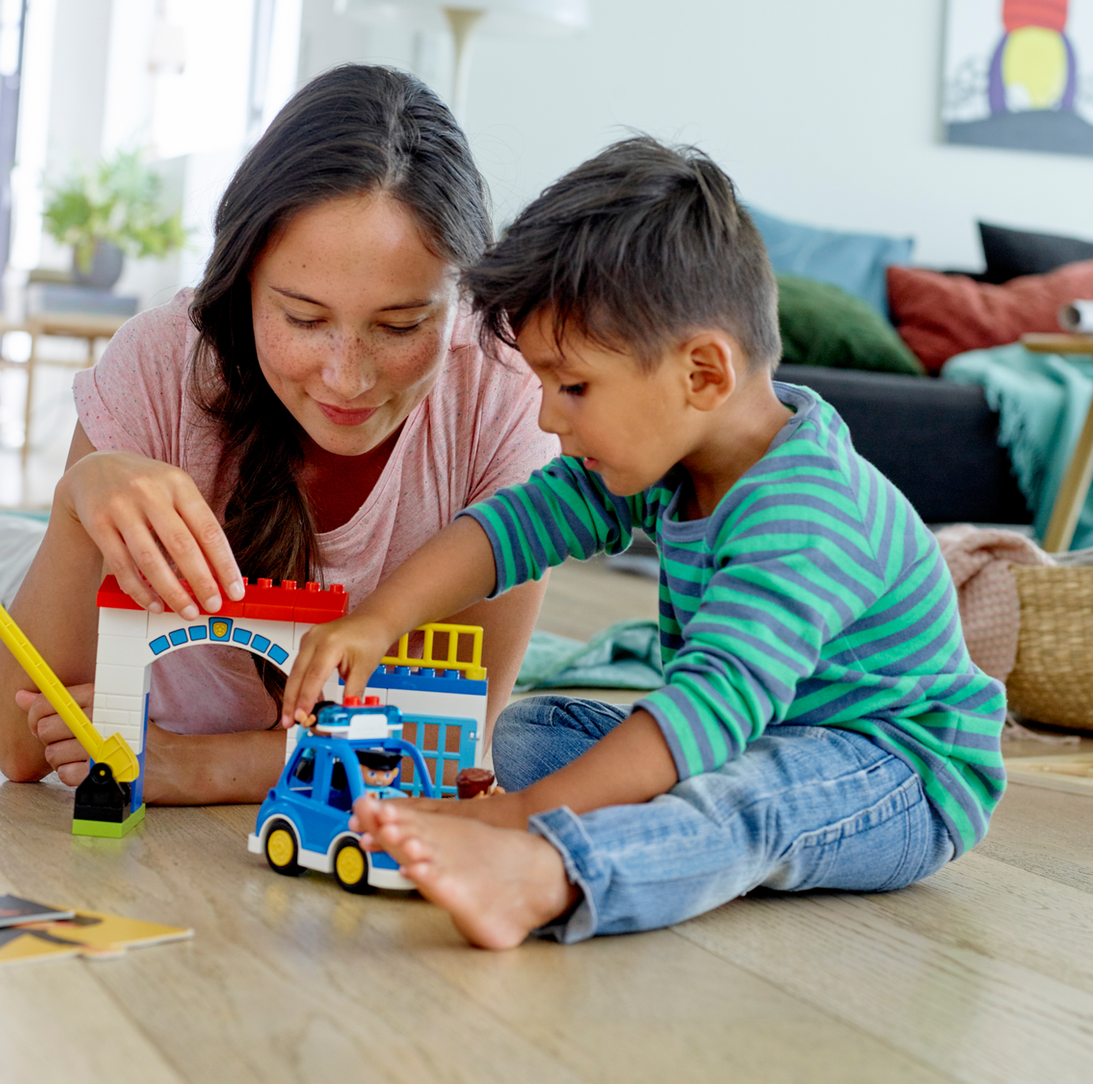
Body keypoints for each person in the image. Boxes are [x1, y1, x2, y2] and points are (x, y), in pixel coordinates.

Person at [281, 137, 1007, 950]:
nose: (550, 418)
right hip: (759, 733)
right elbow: (511, 528)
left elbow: (708, 703)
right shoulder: (675, 451)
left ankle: (547, 877)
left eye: (574, 387)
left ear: (702, 373)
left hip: (896, 774)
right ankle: (631, 837)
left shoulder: (805, 513)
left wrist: (518, 821)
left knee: (749, 797)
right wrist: (376, 622)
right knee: (533, 731)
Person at [0, 65, 558, 804]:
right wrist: (71, 506)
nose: (346, 379)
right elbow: (17, 746)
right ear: (245, 278)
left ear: (463, 297)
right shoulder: (161, 361)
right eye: (304, 319)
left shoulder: (504, 392)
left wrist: (201, 765)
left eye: (401, 325)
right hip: (22, 554)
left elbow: (456, 738)